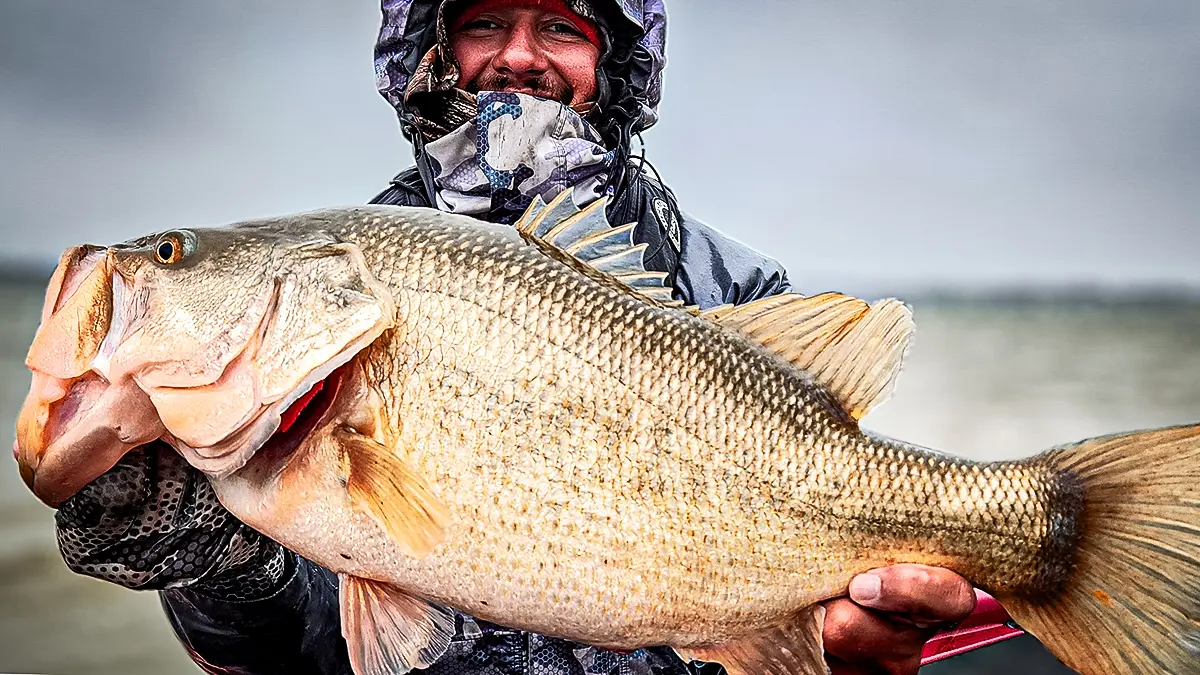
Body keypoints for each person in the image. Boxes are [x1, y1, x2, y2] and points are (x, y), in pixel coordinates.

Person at [52, 1, 977, 673]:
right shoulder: (336, 302)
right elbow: (282, 652)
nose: (520, 58)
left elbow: (813, 627)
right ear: (431, 53)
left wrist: (845, 636)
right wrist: (217, 560)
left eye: (563, 28)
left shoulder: (736, 291)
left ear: (611, 63)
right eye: (485, 22)